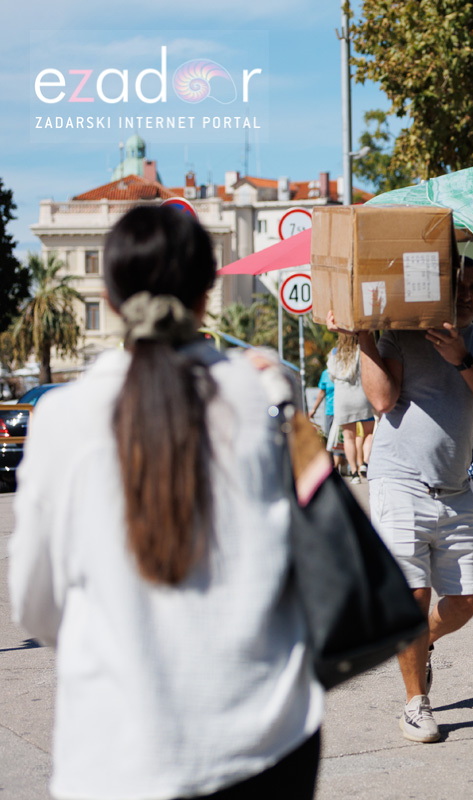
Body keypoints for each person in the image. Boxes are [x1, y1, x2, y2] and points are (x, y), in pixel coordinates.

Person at [9, 205, 323, 799]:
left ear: (111, 293)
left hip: (118, 755)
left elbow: (35, 605)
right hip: (265, 741)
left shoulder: (62, 419)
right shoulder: (265, 396)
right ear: (209, 292)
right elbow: (313, 553)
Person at [331, 256, 473, 744]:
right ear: (440, 292)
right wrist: (364, 335)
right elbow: (382, 401)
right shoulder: (403, 336)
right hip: (399, 482)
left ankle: (421, 641)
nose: (471, 295)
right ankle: (415, 704)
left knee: (468, 600)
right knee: (412, 596)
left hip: (455, 489)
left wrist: (462, 359)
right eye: (461, 288)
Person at [326, 337, 375, 483]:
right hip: (362, 396)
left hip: (342, 399)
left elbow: (331, 377)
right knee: (369, 433)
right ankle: (365, 462)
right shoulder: (362, 351)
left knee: (349, 438)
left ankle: (354, 473)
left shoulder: (334, 353)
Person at [309, 365, 336, 436]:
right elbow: (321, 393)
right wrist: (314, 409)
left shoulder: (345, 372)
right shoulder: (326, 373)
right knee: (330, 437)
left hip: (345, 411)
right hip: (331, 411)